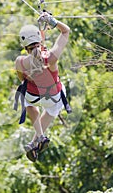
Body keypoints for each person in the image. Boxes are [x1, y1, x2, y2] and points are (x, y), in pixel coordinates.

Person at [15, 12, 70, 162]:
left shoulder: (20, 62)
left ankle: (39, 136)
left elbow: (22, 78)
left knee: (25, 97)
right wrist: (53, 21)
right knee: (52, 109)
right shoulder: (51, 57)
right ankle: (35, 141)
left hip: (33, 95)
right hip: (53, 96)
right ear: (39, 40)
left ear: (24, 45)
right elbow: (66, 31)